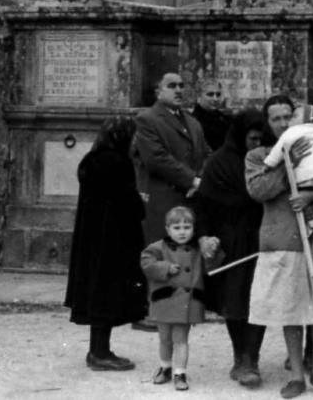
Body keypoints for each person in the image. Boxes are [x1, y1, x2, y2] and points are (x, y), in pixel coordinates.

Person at [246, 95, 313, 398]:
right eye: (275, 118)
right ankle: (296, 375)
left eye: (286, 116)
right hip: (283, 240)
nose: (282, 123)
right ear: (268, 123)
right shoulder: (258, 156)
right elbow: (257, 189)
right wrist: (286, 164)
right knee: (290, 307)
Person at [64, 114, 148, 372]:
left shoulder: (93, 160)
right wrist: (140, 202)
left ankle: (98, 350)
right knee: (107, 294)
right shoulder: (117, 162)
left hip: (94, 240)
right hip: (113, 241)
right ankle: (99, 353)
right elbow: (128, 204)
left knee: (98, 293)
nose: (135, 141)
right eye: (133, 135)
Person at [194, 107, 269, 387]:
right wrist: (203, 236)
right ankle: (240, 356)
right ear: (240, 136)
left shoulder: (269, 159)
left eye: (261, 139)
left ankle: (252, 358)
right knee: (234, 300)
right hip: (232, 239)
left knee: (259, 300)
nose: (257, 145)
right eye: (252, 139)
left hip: (261, 238)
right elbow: (203, 204)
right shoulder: (219, 163)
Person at [140, 206, 223, 391]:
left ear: (194, 229)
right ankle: (165, 367)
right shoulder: (157, 247)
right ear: (167, 229)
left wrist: (212, 248)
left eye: (187, 227)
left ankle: (180, 373)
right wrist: (165, 268)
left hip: (187, 303)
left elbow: (212, 265)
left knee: (181, 339)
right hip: (164, 301)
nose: (182, 232)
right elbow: (146, 264)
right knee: (164, 338)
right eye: (176, 228)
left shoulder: (197, 249)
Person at [134, 73, 211, 244]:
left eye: (181, 86)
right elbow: (156, 158)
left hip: (191, 201)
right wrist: (192, 180)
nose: (178, 90)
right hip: (165, 201)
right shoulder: (147, 119)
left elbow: (206, 154)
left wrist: (200, 178)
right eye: (171, 86)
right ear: (158, 92)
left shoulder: (192, 122)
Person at [193, 79, 231, 155]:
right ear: (199, 95)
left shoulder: (225, 119)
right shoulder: (192, 121)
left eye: (218, 95)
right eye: (210, 94)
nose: (215, 99)